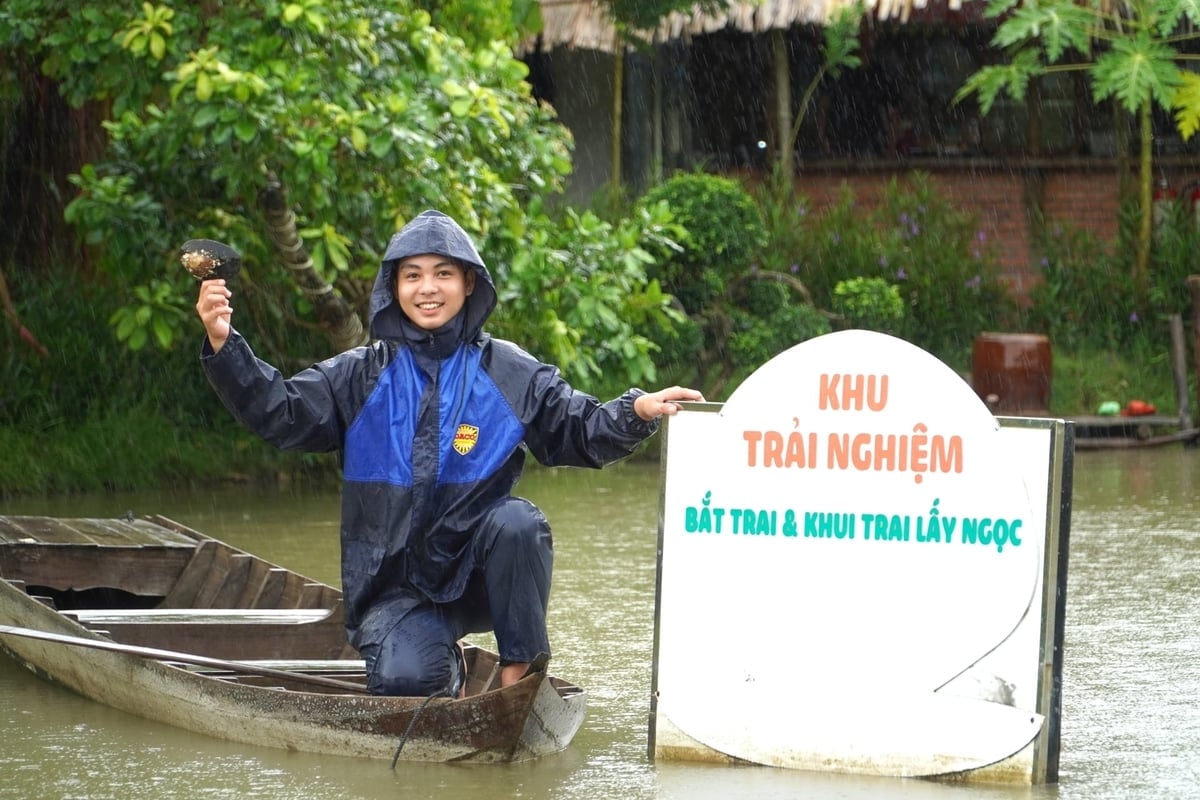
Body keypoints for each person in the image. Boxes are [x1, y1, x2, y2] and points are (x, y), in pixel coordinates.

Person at [195, 210, 703, 697]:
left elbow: (579, 427)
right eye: (412, 275)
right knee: (404, 683)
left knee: (519, 523)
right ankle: (439, 659)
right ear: (394, 288)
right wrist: (225, 343)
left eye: (443, 273)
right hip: (392, 588)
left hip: (479, 578)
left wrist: (635, 410)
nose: (428, 288)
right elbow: (281, 411)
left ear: (468, 284)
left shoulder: (508, 370)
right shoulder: (358, 375)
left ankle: (517, 671)